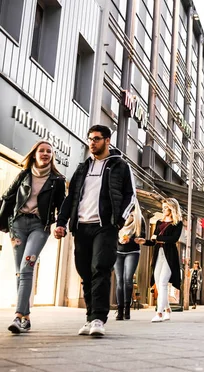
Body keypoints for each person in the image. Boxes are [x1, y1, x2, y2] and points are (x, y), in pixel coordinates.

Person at [55, 125, 135, 337]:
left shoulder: (120, 166)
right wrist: (62, 222)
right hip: (81, 227)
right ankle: (90, 317)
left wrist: (118, 221)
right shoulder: (82, 168)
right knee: (85, 272)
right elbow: (71, 197)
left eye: (97, 139)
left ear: (107, 140)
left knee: (100, 268)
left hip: (105, 227)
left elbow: (130, 195)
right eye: (90, 139)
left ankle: (99, 318)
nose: (92, 142)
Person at [1, 141, 66, 334]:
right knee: (19, 272)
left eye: (49, 151)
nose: (45, 154)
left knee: (26, 266)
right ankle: (26, 317)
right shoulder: (24, 175)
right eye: (41, 151)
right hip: (18, 225)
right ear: (35, 154)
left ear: (52, 156)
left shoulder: (57, 180)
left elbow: (61, 205)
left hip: (40, 226)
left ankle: (18, 315)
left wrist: (61, 225)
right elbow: (7, 197)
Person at [135, 198, 183, 322]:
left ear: (172, 208)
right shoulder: (159, 222)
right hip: (158, 255)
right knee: (158, 283)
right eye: (163, 207)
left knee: (163, 282)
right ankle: (167, 309)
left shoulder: (177, 223)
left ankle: (159, 313)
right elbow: (153, 241)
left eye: (166, 207)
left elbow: (173, 239)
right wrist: (144, 241)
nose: (164, 210)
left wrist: (158, 237)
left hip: (169, 255)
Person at [114, 199, 145, 320]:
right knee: (119, 280)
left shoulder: (139, 219)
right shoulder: (118, 217)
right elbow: (112, 233)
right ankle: (120, 309)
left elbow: (142, 236)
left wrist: (130, 240)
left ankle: (127, 308)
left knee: (127, 279)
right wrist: (119, 240)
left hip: (132, 252)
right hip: (118, 251)